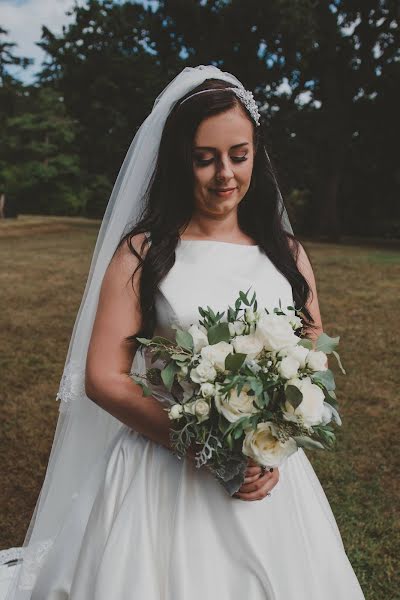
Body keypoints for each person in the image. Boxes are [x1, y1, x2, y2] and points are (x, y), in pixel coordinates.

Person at [4, 65, 365, 599]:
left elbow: (309, 346)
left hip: (265, 473)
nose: (225, 174)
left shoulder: (286, 254)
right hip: (165, 462)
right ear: (180, 161)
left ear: (255, 156)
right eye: (205, 159)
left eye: (238, 156)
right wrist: (208, 450)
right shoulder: (143, 253)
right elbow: (104, 377)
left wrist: (273, 444)